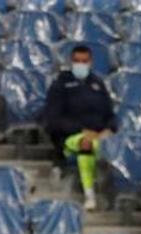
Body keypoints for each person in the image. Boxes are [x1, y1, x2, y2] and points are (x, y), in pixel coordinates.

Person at [43, 44, 117, 212]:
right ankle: (89, 194)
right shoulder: (60, 85)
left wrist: (109, 129)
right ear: (71, 61)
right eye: (77, 61)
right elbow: (53, 120)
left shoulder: (98, 84)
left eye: (84, 61)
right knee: (86, 144)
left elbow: (110, 114)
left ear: (91, 62)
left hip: (100, 136)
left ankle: (122, 194)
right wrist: (82, 131)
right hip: (70, 139)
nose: (80, 64)